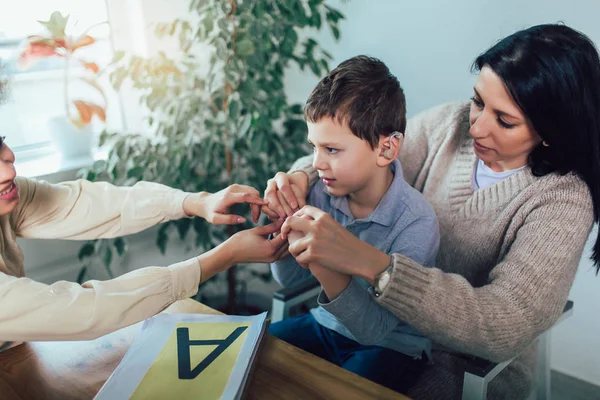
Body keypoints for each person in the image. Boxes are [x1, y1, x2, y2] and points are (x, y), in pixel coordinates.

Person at [263, 24, 599, 399]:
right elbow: (363, 155)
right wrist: (300, 177)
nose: (477, 126)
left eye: (504, 120)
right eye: (477, 101)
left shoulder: (563, 200)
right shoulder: (450, 125)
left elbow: (503, 324)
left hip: (464, 367)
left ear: (550, 130)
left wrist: (376, 267)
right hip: (370, 326)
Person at [0, 131, 286, 350]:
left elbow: (89, 204)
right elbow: (84, 310)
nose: (9, 169)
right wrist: (224, 256)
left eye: (0, 142)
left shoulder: (9, 195)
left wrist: (196, 202)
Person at [265, 55, 440, 394]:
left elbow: (373, 331)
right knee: (248, 356)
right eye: (314, 147)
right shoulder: (322, 191)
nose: (316, 163)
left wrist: (322, 257)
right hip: (325, 325)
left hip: (392, 347)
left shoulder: (417, 223)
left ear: (386, 148)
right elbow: (289, 279)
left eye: (332, 149)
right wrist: (282, 224)